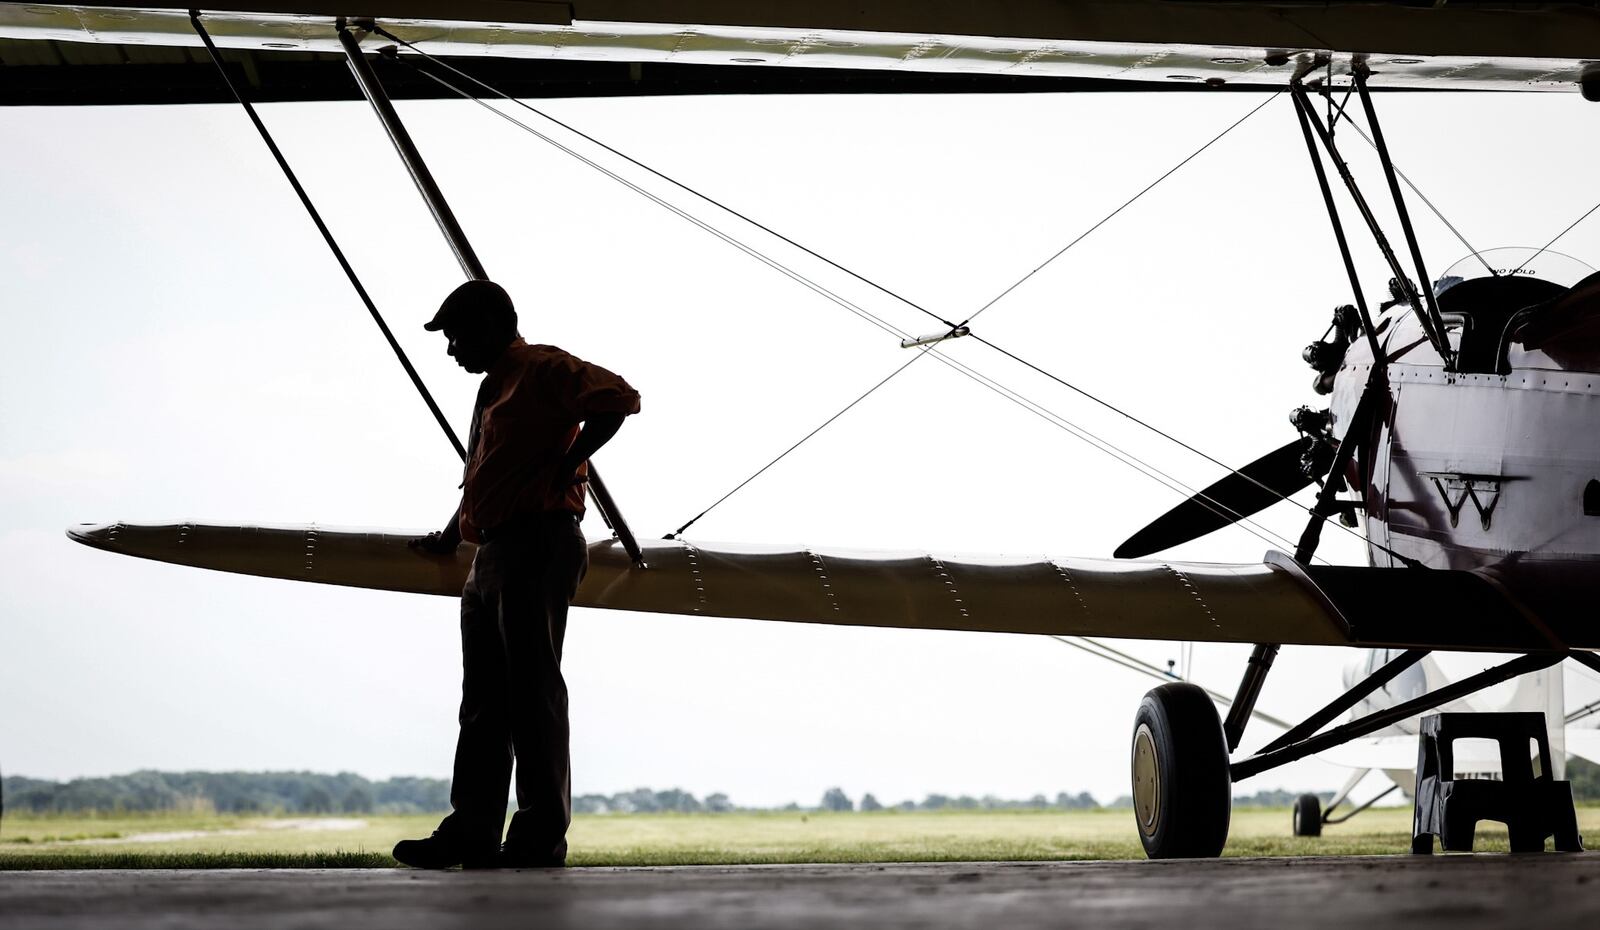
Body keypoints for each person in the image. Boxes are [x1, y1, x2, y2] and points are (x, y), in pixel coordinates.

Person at [393, 279, 640, 869]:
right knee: (482, 702)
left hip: (536, 543)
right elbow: (490, 474)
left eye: (454, 335)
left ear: (487, 326)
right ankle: (473, 832)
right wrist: (452, 536)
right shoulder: (493, 389)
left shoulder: (539, 367)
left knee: (532, 695)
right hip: (492, 555)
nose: (451, 349)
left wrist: (569, 460)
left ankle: (536, 840)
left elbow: (619, 397)